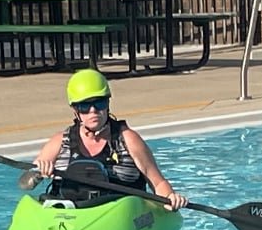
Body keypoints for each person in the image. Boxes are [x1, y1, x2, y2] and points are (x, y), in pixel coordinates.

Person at [31, 69, 189, 209]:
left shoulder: (128, 139)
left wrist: (170, 198)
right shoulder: (59, 142)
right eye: (85, 106)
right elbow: (26, 183)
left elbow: (158, 183)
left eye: (99, 103)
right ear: (75, 110)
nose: (93, 111)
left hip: (119, 216)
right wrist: (36, 175)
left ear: (108, 104)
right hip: (71, 216)